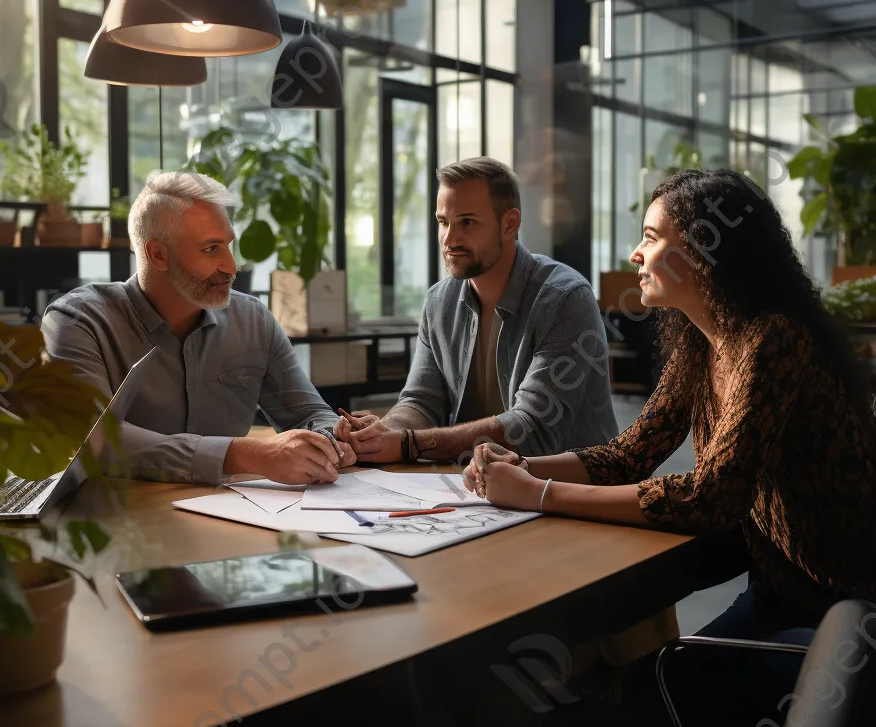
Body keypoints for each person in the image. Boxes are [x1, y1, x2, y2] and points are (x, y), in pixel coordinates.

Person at [465, 167, 876, 638]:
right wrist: (523, 467)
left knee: (670, 680)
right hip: (779, 587)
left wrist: (538, 496)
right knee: (661, 675)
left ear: (701, 253)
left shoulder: (775, 339)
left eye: (651, 237)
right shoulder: (701, 347)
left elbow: (712, 494)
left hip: (842, 609)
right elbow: (630, 455)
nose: (635, 254)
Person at [42, 171, 355, 486]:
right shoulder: (78, 321)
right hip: (122, 521)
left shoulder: (253, 320)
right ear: (157, 254)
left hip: (232, 518)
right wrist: (244, 454)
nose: (231, 267)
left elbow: (309, 414)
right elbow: (93, 438)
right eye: (211, 249)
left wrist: (331, 439)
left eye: (228, 246)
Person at [345, 158, 618, 465]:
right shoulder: (439, 302)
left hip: (569, 494)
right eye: (443, 221)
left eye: (467, 222)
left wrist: (411, 443)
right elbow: (422, 401)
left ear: (510, 224)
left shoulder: (565, 298)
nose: (449, 239)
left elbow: (532, 430)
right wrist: (383, 433)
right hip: (477, 489)